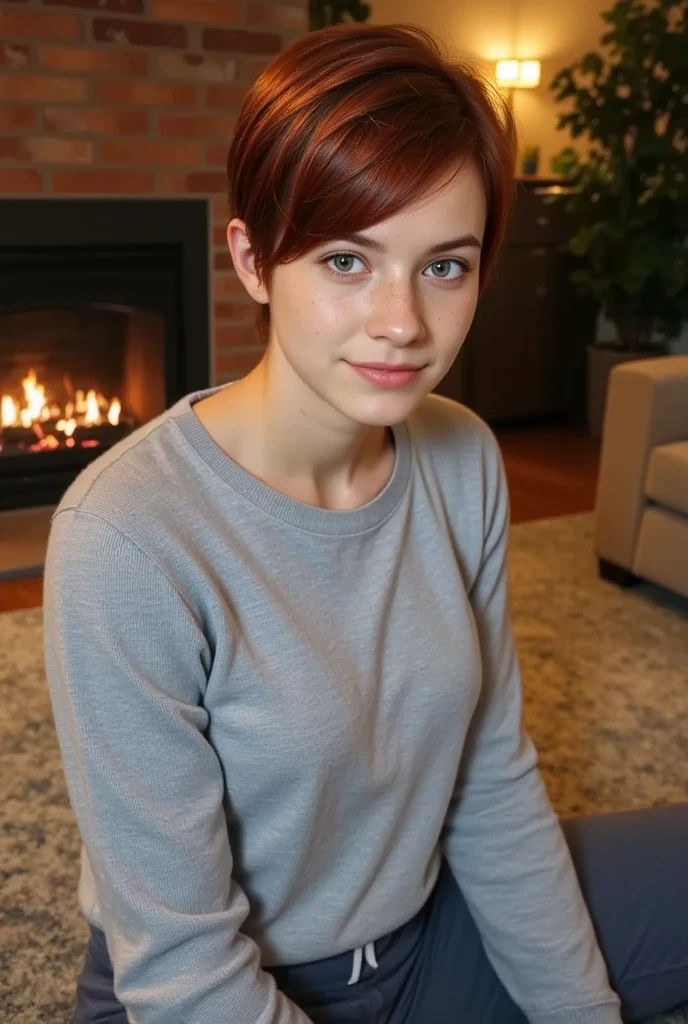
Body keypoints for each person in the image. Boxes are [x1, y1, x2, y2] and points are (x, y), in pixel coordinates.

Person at [42, 21, 688, 1024]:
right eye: (347, 260)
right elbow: (181, 964)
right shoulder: (126, 533)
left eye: (445, 265)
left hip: (427, 940)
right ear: (254, 260)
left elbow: (487, 769)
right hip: (203, 992)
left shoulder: (463, 455)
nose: (403, 321)